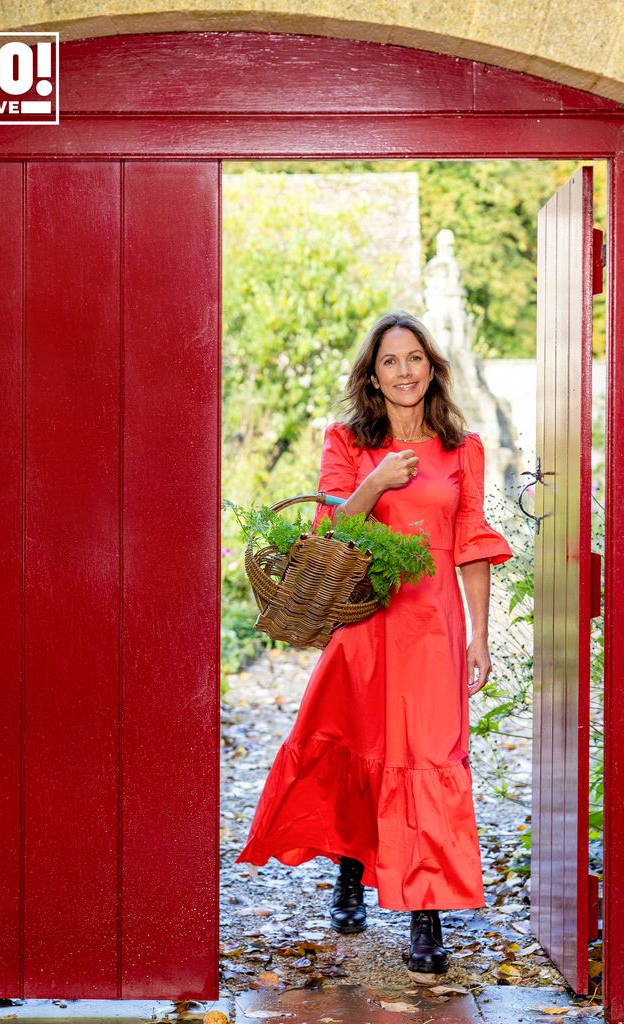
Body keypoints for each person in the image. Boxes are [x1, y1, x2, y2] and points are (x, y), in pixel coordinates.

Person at [234, 310, 514, 981]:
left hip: (435, 627)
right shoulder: (348, 441)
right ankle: (352, 870)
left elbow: (473, 544)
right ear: (374, 375)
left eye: (415, 357)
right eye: (391, 361)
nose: (405, 370)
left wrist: (479, 635)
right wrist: (377, 480)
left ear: (431, 367)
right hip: (365, 622)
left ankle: (426, 914)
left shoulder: (462, 448)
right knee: (359, 746)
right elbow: (329, 525)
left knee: (430, 759)